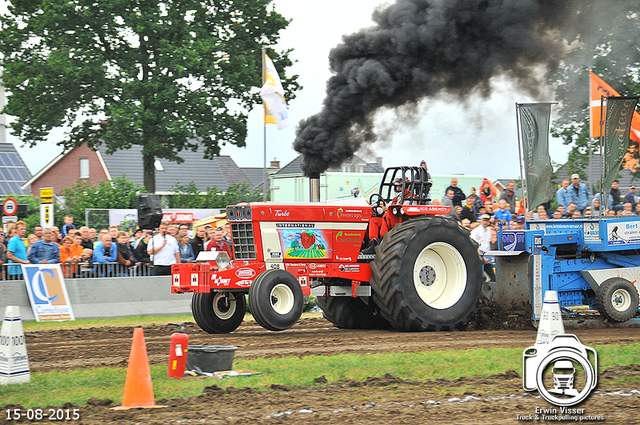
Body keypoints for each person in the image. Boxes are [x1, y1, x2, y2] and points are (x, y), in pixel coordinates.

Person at [470, 214, 495, 282]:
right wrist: (481, 256)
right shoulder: (476, 231)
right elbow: (474, 245)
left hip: (486, 253)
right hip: (479, 253)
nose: (485, 222)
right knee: (482, 275)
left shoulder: (488, 231)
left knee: (491, 276)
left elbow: (487, 243)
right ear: (480, 221)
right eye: (484, 220)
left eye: (487, 220)